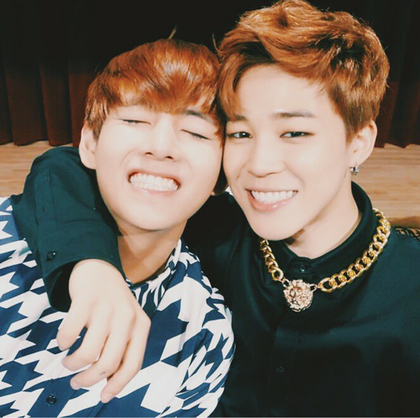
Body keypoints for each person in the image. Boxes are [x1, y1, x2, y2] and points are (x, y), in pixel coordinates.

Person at [11, 0, 420, 416]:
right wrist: (92, 267)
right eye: (241, 133)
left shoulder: (411, 290)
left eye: (294, 132)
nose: (259, 164)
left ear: (359, 142)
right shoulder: (219, 232)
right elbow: (65, 167)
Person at [0, 38, 234, 417]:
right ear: (89, 144)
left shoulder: (203, 335)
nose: (161, 146)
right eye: (135, 121)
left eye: (196, 132)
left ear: (222, 173)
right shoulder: (7, 249)